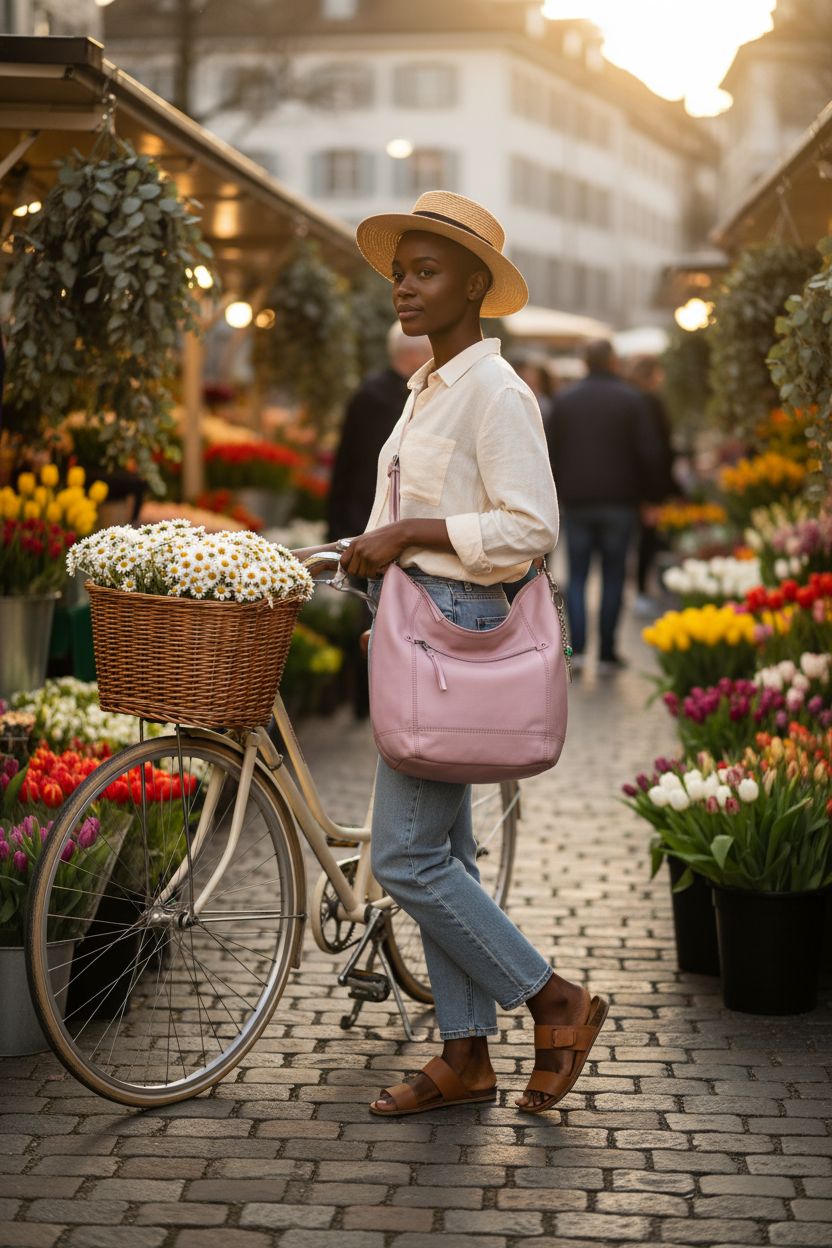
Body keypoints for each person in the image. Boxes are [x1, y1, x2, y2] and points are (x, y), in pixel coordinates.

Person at [300, 190, 608, 1116]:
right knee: (450, 856)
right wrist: (354, 557)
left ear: (475, 284)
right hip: (425, 624)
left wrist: (411, 536)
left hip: (460, 636)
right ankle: (467, 1058)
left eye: (426, 271)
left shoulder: (496, 392)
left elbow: (529, 527)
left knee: (402, 856)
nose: (404, 286)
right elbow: (395, 517)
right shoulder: (426, 388)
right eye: (401, 270)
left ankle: (554, 998)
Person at [544, 339, 663, 673]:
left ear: (584, 363)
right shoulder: (632, 399)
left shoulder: (564, 401)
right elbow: (649, 452)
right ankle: (608, 653)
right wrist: (649, 498)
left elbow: (548, 454)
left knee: (578, 577)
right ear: (613, 362)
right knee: (613, 577)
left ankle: (578, 651)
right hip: (620, 502)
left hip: (577, 502)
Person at [326, 323, 432, 541]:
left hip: (375, 518)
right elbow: (353, 460)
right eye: (430, 353)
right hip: (369, 519)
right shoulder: (380, 396)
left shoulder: (374, 390)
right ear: (413, 354)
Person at [627, 354, 677, 616]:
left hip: (630, 486)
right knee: (648, 539)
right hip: (647, 488)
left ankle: (643, 590)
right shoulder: (647, 402)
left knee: (643, 540)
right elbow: (652, 451)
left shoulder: (628, 399)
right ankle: (643, 592)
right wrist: (653, 495)